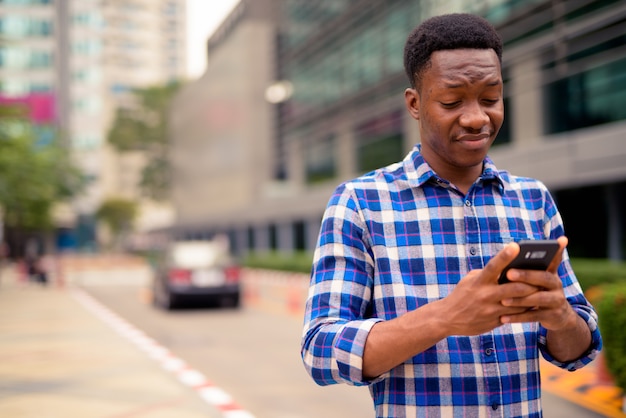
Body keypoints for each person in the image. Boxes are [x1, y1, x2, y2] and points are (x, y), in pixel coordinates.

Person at [300, 13, 602, 417]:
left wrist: (560, 317)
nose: (477, 117)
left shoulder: (533, 199)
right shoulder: (361, 203)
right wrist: (445, 317)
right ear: (415, 103)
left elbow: (579, 350)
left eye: (491, 98)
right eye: (452, 101)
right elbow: (320, 351)